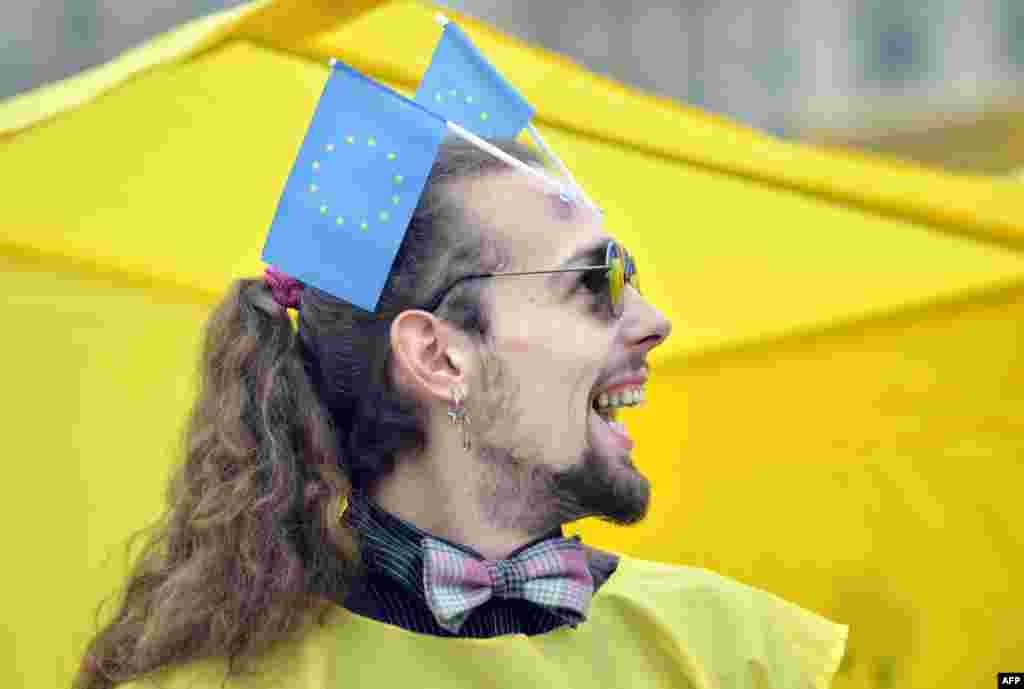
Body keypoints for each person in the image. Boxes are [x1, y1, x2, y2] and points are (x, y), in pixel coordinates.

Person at [73, 139, 848, 689]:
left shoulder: (741, 655)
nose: (652, 320)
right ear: (441, 356)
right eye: (596, 280)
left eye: (631, 275)